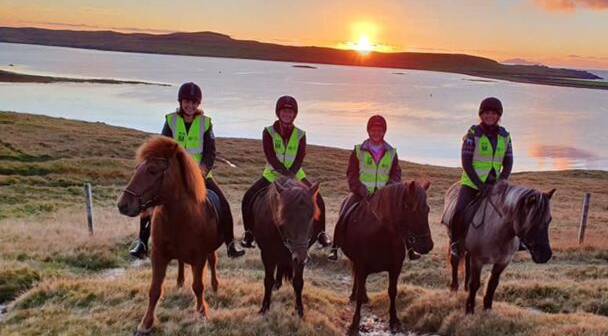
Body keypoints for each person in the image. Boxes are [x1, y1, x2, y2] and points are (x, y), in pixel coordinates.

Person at [128, 82, 246, 259]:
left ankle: (230, 244)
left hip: (200, 175)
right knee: (150, 203)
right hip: (174, 177)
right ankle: (142, 242)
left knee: (223, 204)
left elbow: (210, 152)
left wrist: (202, 171)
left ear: (198, 104)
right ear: (180, 102)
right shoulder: (171, 121)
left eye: (193, 102)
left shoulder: (205, 123)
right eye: (186, 102)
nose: (189, 106)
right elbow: (162, 148)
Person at [240, 95, 330, 248]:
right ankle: (249, 233)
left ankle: (321, 233)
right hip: (272, 175)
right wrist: (282, 172)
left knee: (318, 199)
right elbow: (270, 155)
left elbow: (300, 157)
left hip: (296, 175)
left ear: (294, 114)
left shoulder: (300, 134)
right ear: (278, 113)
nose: (287, 114)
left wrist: (291, 174)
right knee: (248, 197)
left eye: (290, 112)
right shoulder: (268, 132)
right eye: (284, 111)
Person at [329, 114, 419, 261]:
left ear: (384, 132)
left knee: (401, 216)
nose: (376, 133)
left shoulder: (391, 152)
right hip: (361, 193)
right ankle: (335, 247)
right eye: (373, 130)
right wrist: (359, 188)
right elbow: (351, 173)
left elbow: (396, 173)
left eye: (380, 130)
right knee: (345, 212)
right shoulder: (358, 150)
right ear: (368, 131)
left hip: (384, 196)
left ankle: (409, 248)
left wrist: (389, 187)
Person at [448, 97, 514, 258]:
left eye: (493, 113)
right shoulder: (473, 134)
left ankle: (517, 242)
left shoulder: (505, 136)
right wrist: (479, 185)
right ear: (481, 114)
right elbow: (466, 162)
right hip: (471, 183)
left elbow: (508, 161)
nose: (489, 116)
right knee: (459, 212)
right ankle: (455, 243)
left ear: (499, 115)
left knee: (513, 211)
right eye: (486, 113)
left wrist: (502, 181)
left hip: (495, 184)